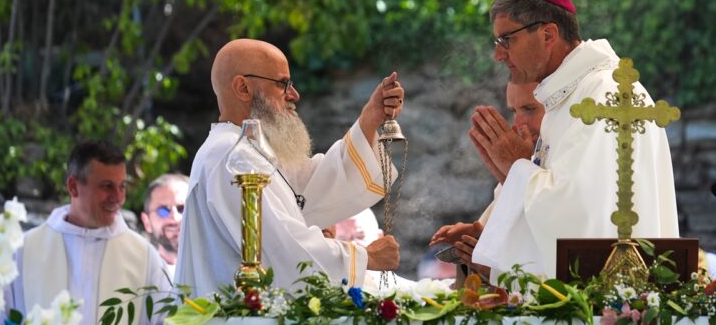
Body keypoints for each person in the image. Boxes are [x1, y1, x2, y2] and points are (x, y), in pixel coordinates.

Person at [468, 0, 679, 282]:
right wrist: (511, 177)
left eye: (506, 40)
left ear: (548, 34)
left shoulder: (603, 93)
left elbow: (577, 215)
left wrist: (517, 166)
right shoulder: (568, 97)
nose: (498, 55)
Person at [175, 39, 404, 295]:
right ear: (243, 88)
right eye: (282, 84)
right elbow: (280, 248)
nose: (294, 95)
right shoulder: (230, 156)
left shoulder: (250, 151)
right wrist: (364, 257)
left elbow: (314, 186)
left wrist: (369, 118)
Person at [4, 141, 170, 324]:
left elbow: (167, 319)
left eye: (122, 186)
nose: (118, 198)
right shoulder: (24, 251)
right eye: (107, 186)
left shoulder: (144, 257)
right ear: (73, 186)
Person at [429, 81, 541, 279]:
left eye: (530, 109)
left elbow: (552, 232)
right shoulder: (532, 159)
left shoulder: (566, 159)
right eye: (514, 111)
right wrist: (477, 233)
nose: (519, 123)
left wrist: (493, 269)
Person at [140, 173, 189, 277]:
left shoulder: (221, 266)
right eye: (163, 211)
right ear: (147, 222)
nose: (175, 218)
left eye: (183, 208)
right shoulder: (139, 276)